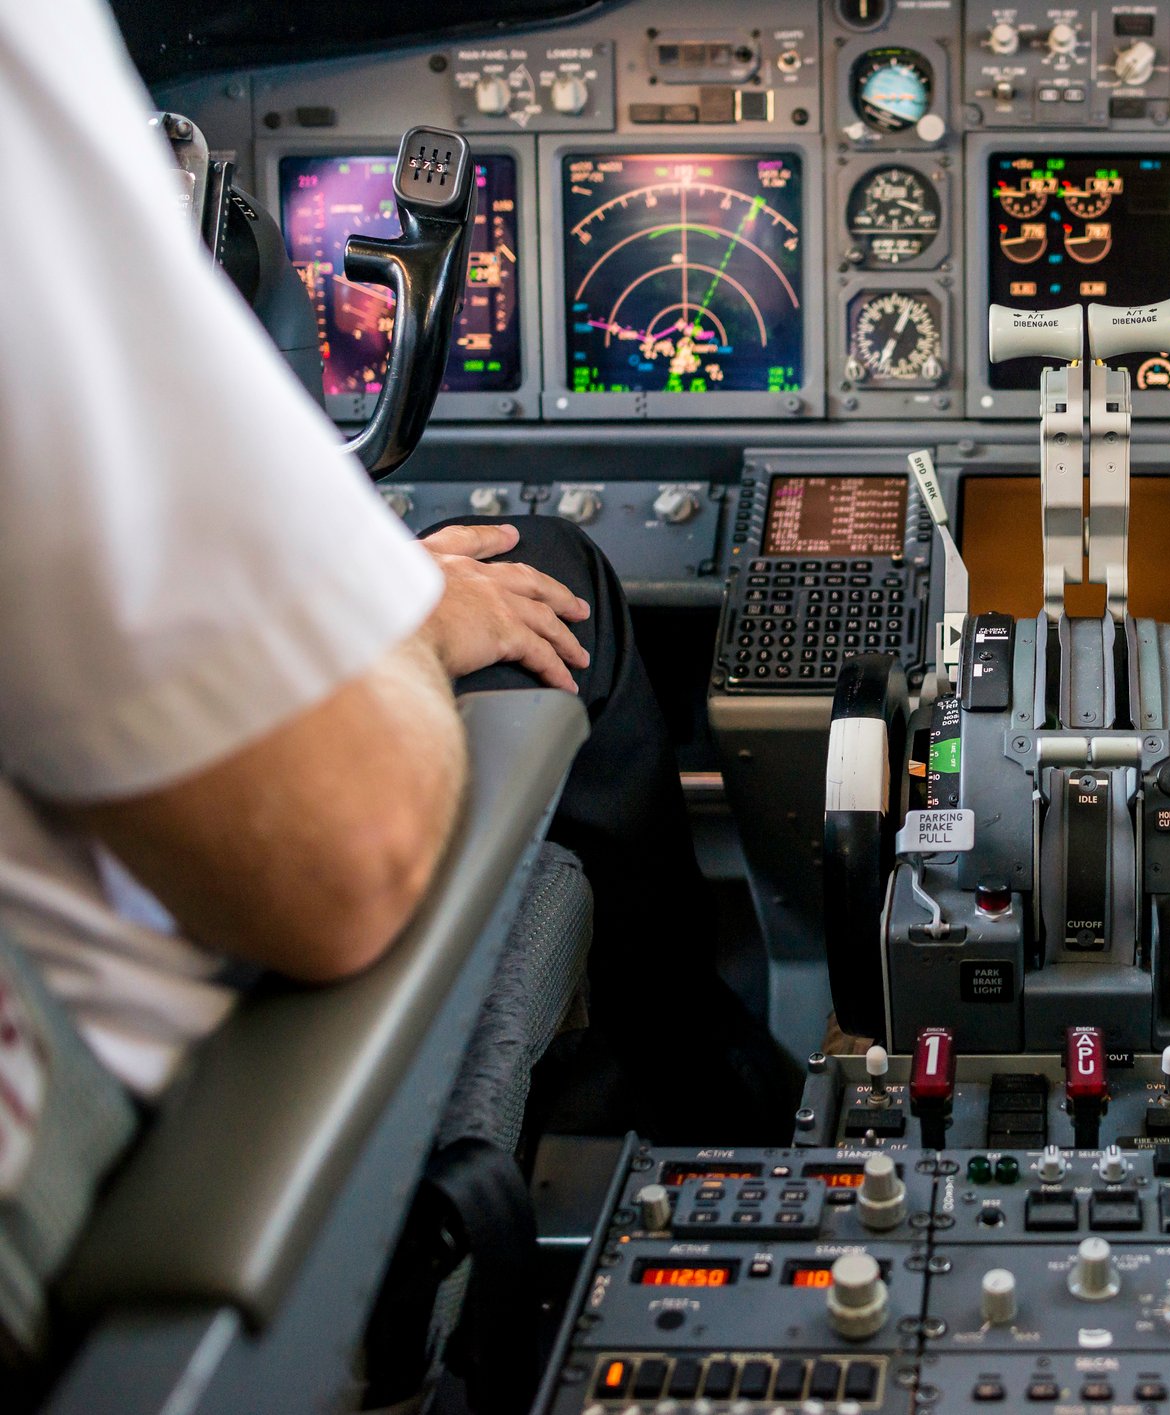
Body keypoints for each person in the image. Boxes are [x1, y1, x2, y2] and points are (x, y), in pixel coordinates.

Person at [0, 0, 784, 1137]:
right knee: (549, 571)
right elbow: (340, 865)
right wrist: (406, 630)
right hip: (156, 1124)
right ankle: (707, 1114)